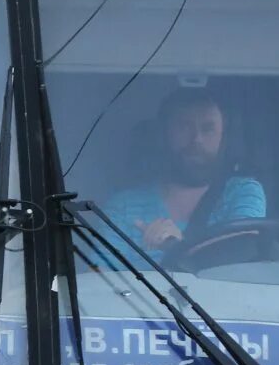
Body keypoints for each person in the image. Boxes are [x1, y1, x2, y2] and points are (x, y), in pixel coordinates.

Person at [101, 88, 268, 254]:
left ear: (223, 137)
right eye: (184, 127)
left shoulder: (242, 192)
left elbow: (239, 257)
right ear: (164, 134)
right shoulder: (122, 208)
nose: (197, 139)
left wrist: (179, 247)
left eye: (208, 129)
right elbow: (103, 276)